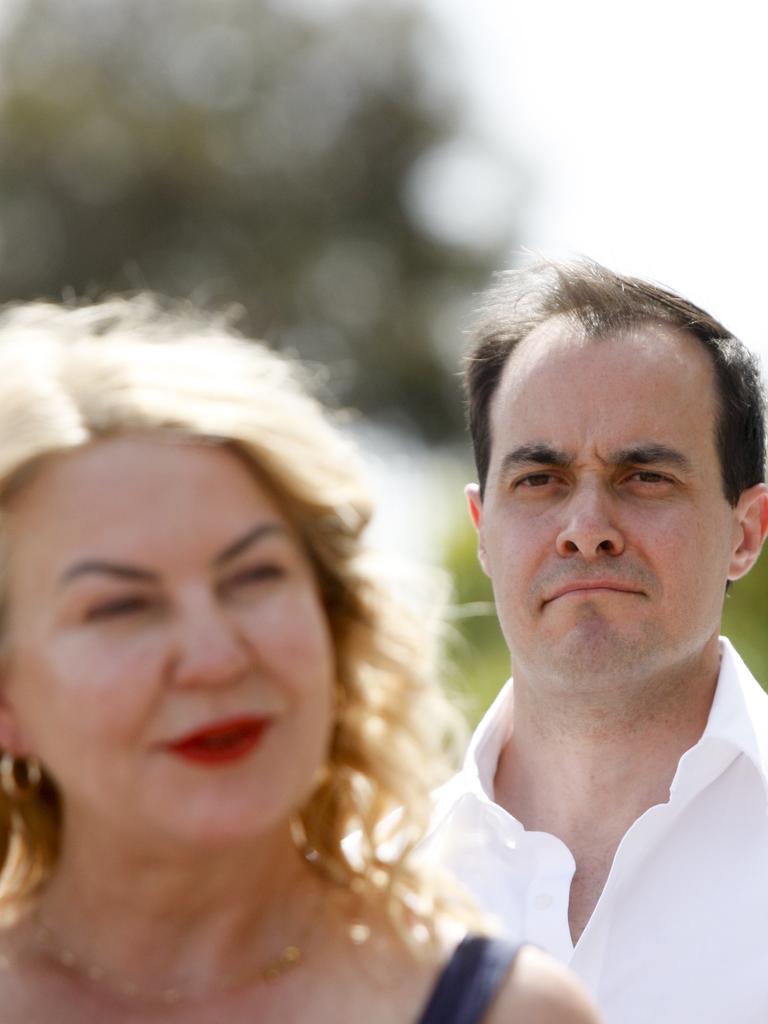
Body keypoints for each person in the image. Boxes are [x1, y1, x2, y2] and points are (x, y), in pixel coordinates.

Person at [0, 296, 599, 1024]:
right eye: (121, 607)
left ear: (334, 621)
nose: (216, 658)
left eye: (254, 578)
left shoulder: (511, 1012)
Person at [424, 258, 768, 1024]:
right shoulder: (370, 887)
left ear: (746, 533)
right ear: (485, 533)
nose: (586, 531)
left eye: (644, 478)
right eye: (539, 479)